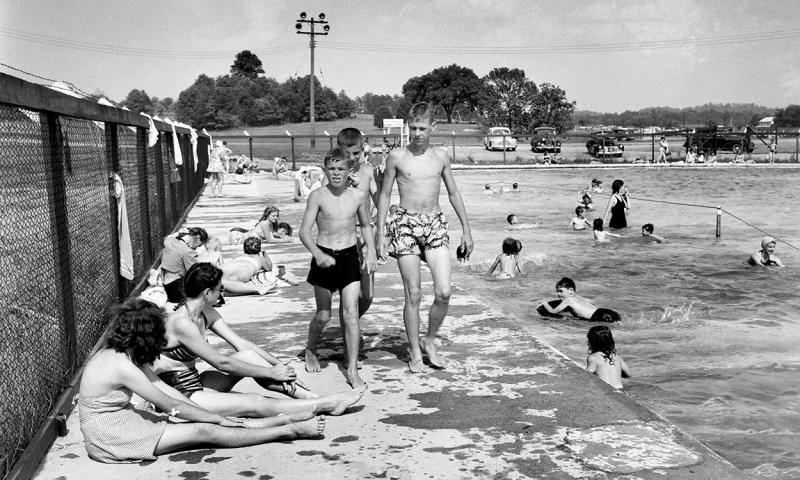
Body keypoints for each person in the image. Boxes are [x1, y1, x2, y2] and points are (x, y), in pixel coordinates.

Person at [79, 298, 326, 464]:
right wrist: (213, 417)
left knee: (204, 422)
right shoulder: (122, 364)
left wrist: (205, 412)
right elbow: (169, 404)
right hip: (109, 433)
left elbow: (164, 388)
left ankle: (280, 419)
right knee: (204, 430)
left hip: (123, 419)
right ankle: (287, 429)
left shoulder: (126, 352)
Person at [152, 263, 367, 417]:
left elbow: (243, 345)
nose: (222, 294)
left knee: (248, 356)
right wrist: (270, 373)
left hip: (196, 382)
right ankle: (322, 404)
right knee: (254, 403)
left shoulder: (204, 311)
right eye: (220, 289)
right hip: (180, 395)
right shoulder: (182, 323)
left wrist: (278, 365)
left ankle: (314, 397)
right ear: (207, 292)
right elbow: (221, 362)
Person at [376, 102, 474, 373]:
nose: (417, 133)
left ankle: (430, 340)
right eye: (413, 128)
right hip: (405, 224)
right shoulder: (397, 156)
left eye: (422, 128)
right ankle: (415, 352)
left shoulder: (441, 156)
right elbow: (384, 194)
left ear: (433, 127)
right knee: (414, 294)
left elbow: (453, 193)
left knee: (444, 292)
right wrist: (380, 232)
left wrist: (466, 229)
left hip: (435, 224)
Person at [300, 147, 377, 388]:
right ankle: (311, 348)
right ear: (325, 170)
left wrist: (372, 251)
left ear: (348, 171)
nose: (336, 173)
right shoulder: (318, 196)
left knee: (351, 313)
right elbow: (304, 231)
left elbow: (365, 225)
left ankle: (351, 368)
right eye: (332, 168)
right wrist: (316, 254)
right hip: (324, 255)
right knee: (324, 315)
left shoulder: (357, 196)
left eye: (341, 169)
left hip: (349, 258)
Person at [336, 127, 379, 318]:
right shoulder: (334, 172)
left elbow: (379, 201)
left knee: (367, 296)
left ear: (363, 149)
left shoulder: (368, 172)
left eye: (357, 152)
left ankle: (349, 324)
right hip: (342, 237)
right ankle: (349, 332)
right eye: (347, 153)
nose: (352, 157)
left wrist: (384, 180)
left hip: (364, 236)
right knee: (348, 296)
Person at [536, 277, 621, 322]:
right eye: (557, 291)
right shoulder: (577, 297)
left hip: (598, 317)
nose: (558, 294)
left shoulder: (568, 300)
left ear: (571, 291)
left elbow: (553, 311)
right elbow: (592, 302)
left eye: (561, 291)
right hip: (605, 312)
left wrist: (544, 303)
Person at [160, 227, 208, 303]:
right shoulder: (188, 251)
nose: (196, 248)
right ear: (198, 238)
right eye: (199, 245)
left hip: (167, 286)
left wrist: (178, 233)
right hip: (178, 290)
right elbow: (195, 274)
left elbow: (168, 238)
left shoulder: (170, 242)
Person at [586, 325, 631, 389]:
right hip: (620, 390)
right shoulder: (617, 357)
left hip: (605, 390)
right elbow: (628, 374)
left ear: (591, 342)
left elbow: (590, 371)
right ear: (610, 341)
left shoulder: (593, 357)